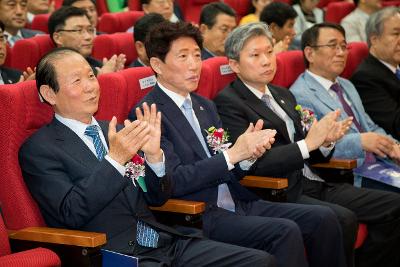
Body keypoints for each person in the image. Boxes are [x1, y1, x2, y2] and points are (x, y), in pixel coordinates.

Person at [19, 47, 275, 267]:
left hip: (164, 240)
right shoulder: (40, 149)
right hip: (111, 253)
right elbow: (70, 213)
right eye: (77, 81)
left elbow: (156, 197)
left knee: (260, 261)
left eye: (91, 75)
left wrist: (155, 158)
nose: (91, 87)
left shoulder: (120, 130)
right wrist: (115, 161)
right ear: (49, 93)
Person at [129, 20, 347, 267]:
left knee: (324, 218)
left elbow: (230, 162)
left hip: (239, 199)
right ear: (157, 64)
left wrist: (248, 156)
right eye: (183, 57)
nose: (194, 65)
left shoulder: (205, 105)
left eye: (197, 56)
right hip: (199, 213)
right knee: (285, 231)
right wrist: (232, 156)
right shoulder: (147, 114)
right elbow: (174, 181)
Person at [215, 21, 400, 267]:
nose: (266, 61)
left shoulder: (282, 94)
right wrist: (310, 143)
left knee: (394, 205)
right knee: (340, 218)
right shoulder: (229, 103)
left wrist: (325, 142)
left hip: (316, 179)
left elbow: (314, 152)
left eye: (270, 52)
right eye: (255, 55)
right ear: (234, 64)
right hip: (280, 188)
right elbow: (256, 164)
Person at [290, 22, 400, 267]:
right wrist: (360, 141)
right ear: (309, 53)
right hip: (350, 173)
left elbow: (371, 126)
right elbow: (315, 149)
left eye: (344, 46)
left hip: (380, 162)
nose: (341, 52)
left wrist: (393, 146)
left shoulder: (346, 84)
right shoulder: (301, 94)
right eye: (332, 46)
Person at [351, 8, 400, 139]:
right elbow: (396, 125)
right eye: (396, 34)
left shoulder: (395, 66)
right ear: (374, 39)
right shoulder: (365, 77)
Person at [48, 6, 126, 76]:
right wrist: (102, 79)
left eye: (90, 30)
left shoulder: (96, 64)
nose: (88, 37)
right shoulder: (52, 71)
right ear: (58, 38)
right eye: (78, 30)